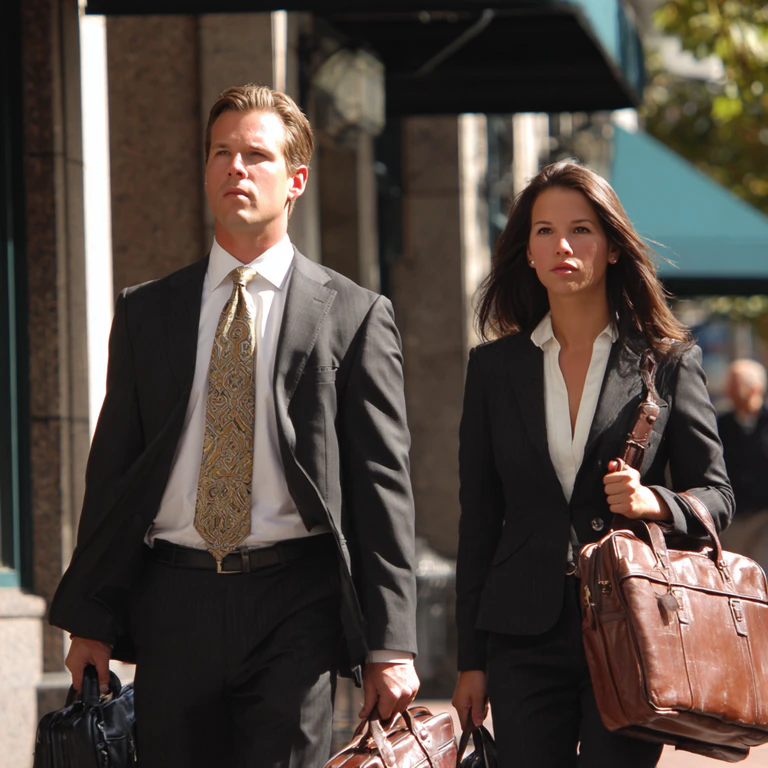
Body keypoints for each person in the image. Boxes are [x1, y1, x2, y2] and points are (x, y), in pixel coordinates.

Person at [49, 84, 419, 768]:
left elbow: (381, 487)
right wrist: (92, 619)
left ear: (296, 179)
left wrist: (390, 645)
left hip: (294, 602)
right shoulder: (147, 312)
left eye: (256, 154)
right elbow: (113, 474)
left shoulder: (354, 315)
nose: (235, 169)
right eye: (222, 153)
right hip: (174, 599)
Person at [451, 162, 733, 767]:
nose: (562, 246)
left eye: (581, 230)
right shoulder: (495, 370)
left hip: (632, 626)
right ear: (526, 252)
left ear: (610, 247)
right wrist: (470, 661)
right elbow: (479, 520)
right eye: (544, 231)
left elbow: (717, 495)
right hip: (522, 634)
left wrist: (657, 502)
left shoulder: (668, 361)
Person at [717, 359, 768, 570]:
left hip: (763, 518)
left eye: (735, 384)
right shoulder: (720, 425)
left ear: (755, 388)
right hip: (732, 520)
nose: (728, 390)